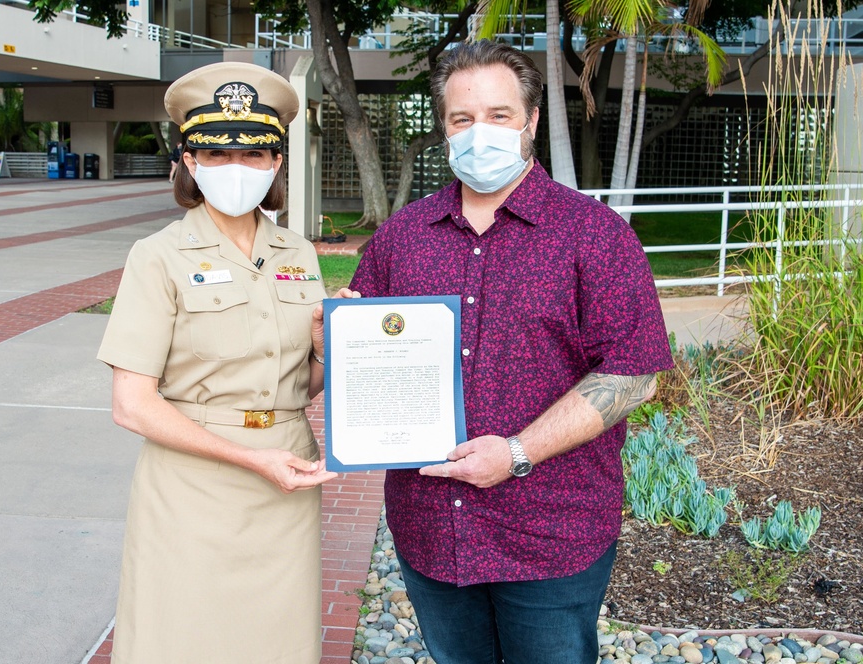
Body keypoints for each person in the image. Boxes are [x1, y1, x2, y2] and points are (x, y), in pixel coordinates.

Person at [349, 40, 676, 664]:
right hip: (431, 528)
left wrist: (518, 453)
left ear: (529, 121)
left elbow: (633, 376)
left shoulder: (595, 235)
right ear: (444, 128)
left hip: (552, 532)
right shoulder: (402, 238)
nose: (480, 133)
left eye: (499, 116)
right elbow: (358, 357)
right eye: (462, 119)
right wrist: (330, 341)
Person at [97, 61, 345, 664]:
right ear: (188, 162)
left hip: (287, 479)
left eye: (255, 153)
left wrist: (328, 347)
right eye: (215, 153)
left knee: (278, 644)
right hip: (192, 486)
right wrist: (248, 458)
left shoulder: (298, 253)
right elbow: (132, 405)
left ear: (277, 162)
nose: (236, 167)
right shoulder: (157, 256)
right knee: (182, 640)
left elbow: (298, 386)